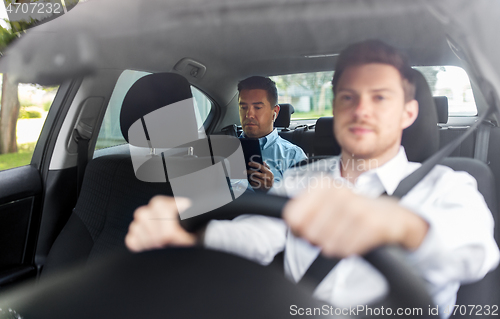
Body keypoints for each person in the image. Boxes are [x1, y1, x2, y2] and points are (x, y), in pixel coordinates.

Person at [125, 40, 499, 317]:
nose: (362, 110)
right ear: (335, 108)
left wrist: (398, 225)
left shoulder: (450, 185)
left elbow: (474, 253)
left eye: (380, 98)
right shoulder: (301, 183)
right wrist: (192, 236)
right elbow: (254, 236)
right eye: (348, 97)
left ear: (409, 112)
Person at [237, 76, 307, 192]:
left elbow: (306, 204)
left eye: (258, 107)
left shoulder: (293, 155)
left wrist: (271, 189)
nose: (249, 115)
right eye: (243, 107)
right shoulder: (224, 151)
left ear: (275, 112)